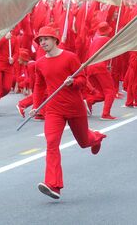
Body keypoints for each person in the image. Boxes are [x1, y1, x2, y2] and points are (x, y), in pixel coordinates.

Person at [30, 26, 106, 200]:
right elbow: (39, 86)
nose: (43, 43)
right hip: (54, 110)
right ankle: (53, 185)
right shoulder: (40, 63)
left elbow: (83, 79)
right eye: (40, 40)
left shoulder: (70, 58)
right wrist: (36, 106)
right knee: (51, 143)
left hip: (74, 108)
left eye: (46, 39)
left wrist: (73, 82)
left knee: (84, 142)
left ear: (55, 39)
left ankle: (96, 137)